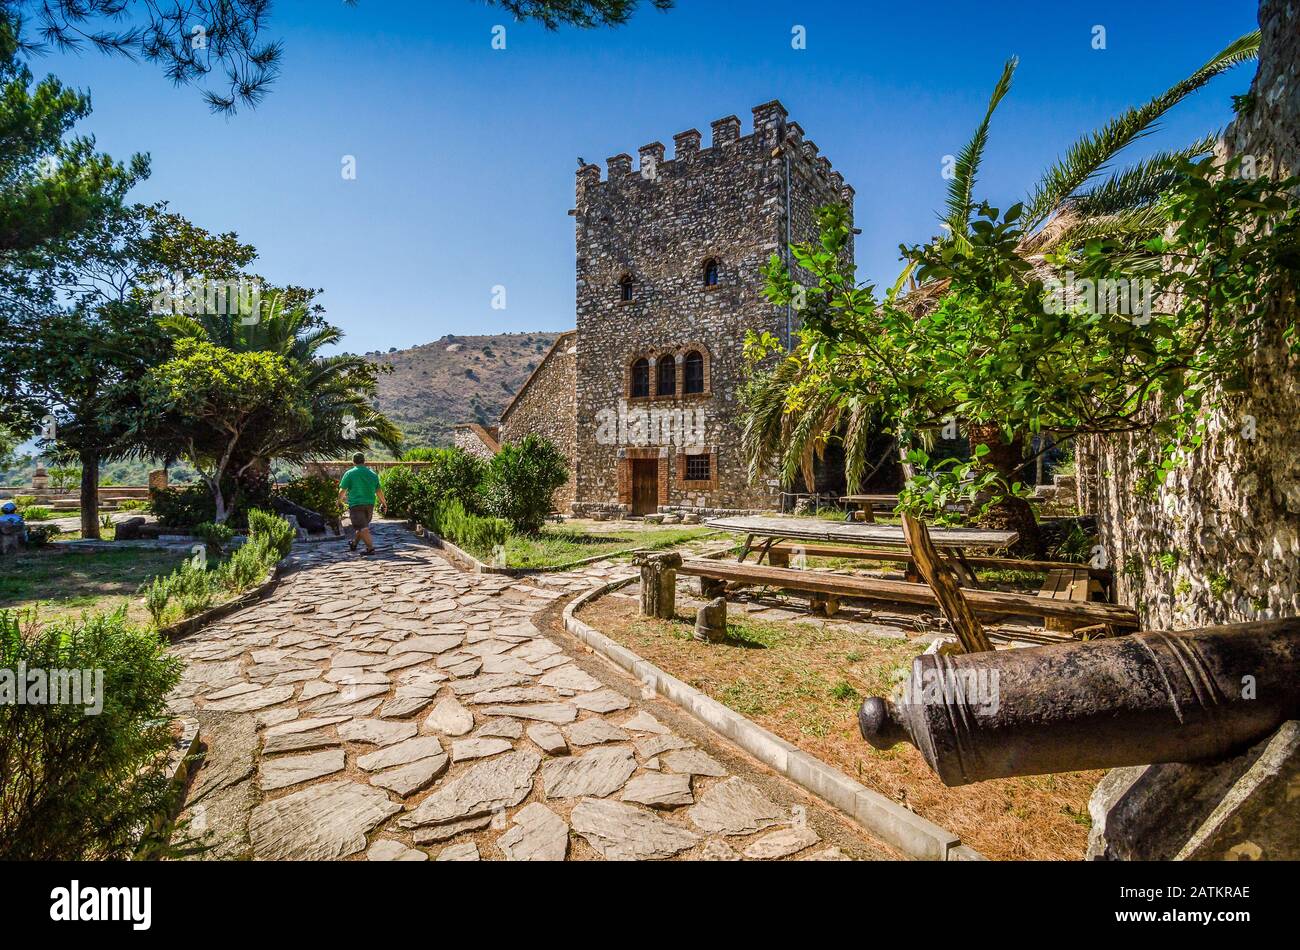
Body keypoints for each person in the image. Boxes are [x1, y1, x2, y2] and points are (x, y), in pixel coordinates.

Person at [337, 453, 386, 555]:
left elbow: (342, 490)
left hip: (356, 505)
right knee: (362, 526)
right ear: (364, 460)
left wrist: (339, 501)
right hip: (370, 505)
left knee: (363, 528)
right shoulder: (372, 474)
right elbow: (378, 491)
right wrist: (383, 503)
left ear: (353, 461)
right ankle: (354, 544)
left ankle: (370, 548)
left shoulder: (350, 473)